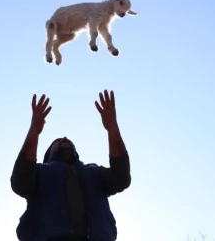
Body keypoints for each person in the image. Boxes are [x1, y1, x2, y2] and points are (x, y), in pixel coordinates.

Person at [10, 89, 131, 241]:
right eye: (57, 141)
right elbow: (20, 181)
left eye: (66, 139)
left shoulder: (93, 173)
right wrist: (34, 131)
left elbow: (121, 177)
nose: (64, 139)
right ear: (48, 155)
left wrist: (112, 128)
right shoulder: (40, 172)